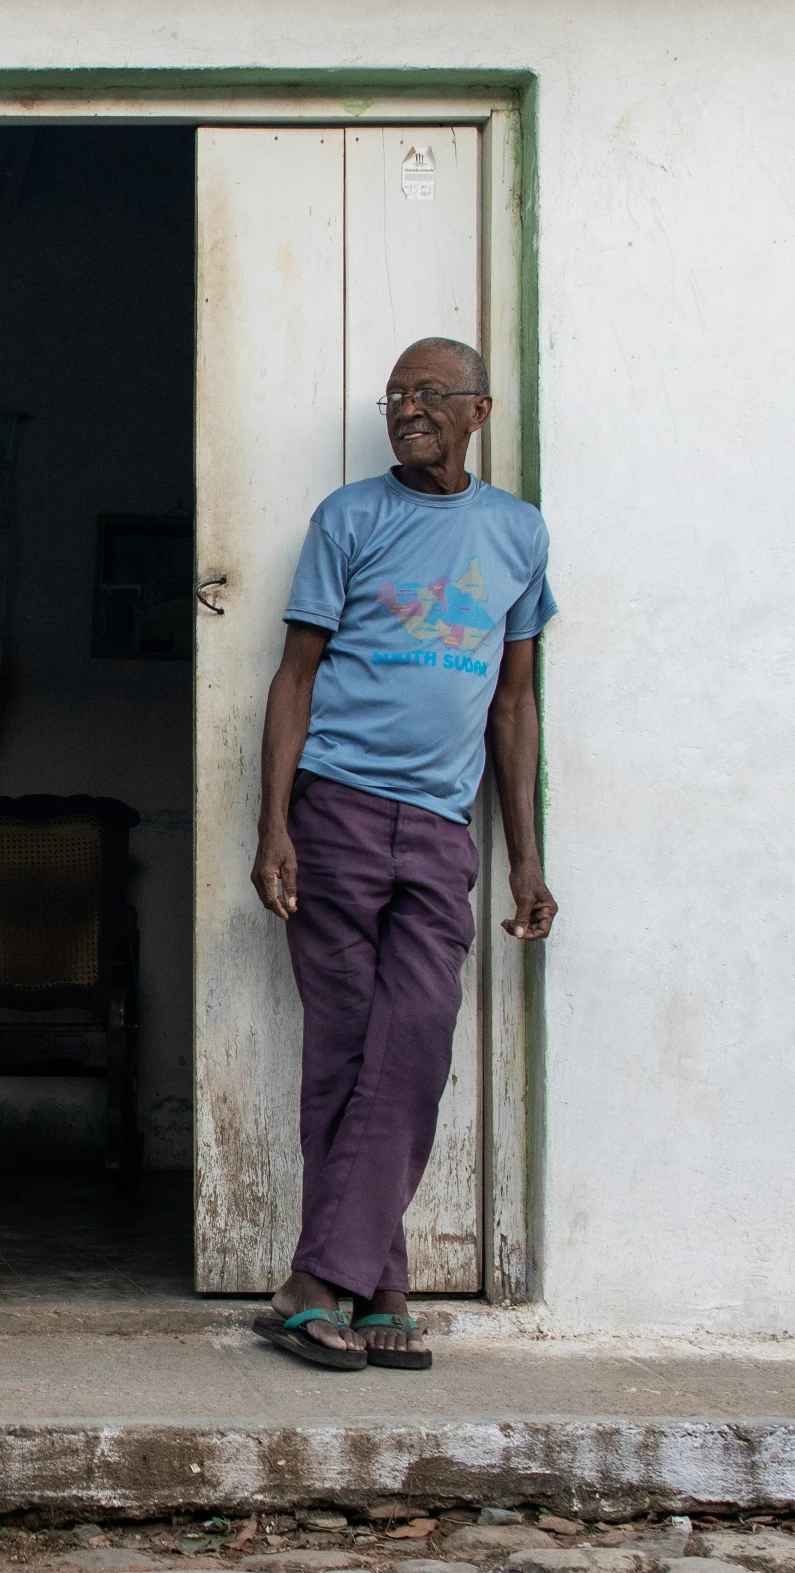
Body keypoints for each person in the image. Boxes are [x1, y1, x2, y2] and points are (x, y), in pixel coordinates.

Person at [249, 337, 558, 1372]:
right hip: (335, 810)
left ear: (478, 411)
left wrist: (522, 858)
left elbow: (512, 706)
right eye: (395, 396)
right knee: (343, 1054)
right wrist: (273, 825)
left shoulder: (517, 533)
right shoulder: (350, 518)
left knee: (414, 1045)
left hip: (437, 825)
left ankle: (316, 1280)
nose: (405, 409)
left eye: (428, 395)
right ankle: (378, 1290)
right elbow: (295, 677)